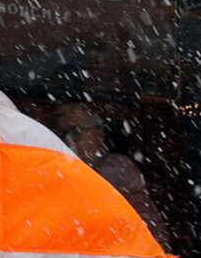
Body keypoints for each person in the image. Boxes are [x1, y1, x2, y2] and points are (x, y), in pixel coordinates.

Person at [52, 103, 169, 249]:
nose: (68, 140)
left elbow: (145, 225)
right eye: (61, 134)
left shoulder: (117, 168)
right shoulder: (54, 169)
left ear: (99, 136)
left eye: (77, 132)